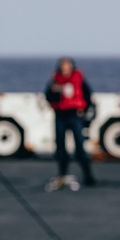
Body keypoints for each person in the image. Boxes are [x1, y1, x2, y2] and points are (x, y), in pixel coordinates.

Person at [45, 57, 96, 191]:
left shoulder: (79, 80)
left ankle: (88, 175)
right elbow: (48, 97)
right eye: (63, 67)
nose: (65, 69)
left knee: (80, 146)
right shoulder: (55, 82)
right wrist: (54, 91)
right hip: (60, 116)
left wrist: (84, 111)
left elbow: (88, 95)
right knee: (60, 147)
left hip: (75, 116)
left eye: (67, 66)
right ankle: (62, 175)